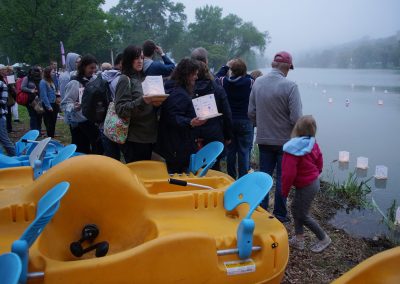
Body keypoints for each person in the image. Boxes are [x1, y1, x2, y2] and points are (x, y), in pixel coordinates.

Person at [248, 51, 302, 223]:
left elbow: (251, 112)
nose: (289, 72)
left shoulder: (257, 83)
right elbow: (296, 118)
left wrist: (261, 125)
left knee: (264, 177)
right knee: (282, 179)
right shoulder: (291, 86)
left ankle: (261, 211)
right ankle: (279, 215)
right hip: (285, 141)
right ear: (285, 66)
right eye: (289, 69)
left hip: (263, 139)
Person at [281, 115, 331, 252]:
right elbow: (319, 160)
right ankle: (299, 239)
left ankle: (323, 238)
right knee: (296, 209)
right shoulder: (312, 143)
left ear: (296, 128)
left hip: (307, 185)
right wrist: (316, 173)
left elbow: (288, 173)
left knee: (302, 214)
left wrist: (284, 191)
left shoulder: (291, 149)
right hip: (312, 182)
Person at [156, 58, 206, 173]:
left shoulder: (172, 87)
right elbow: (172, 117)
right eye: (194, 74)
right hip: (177, 146)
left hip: (171, 144)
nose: (196, 77)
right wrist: (190, 122)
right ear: (187, 75)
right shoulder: (179, 93)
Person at [115, 45, 162, 163]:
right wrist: (143, 101)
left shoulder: (142, 78)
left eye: (141, 57)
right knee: (137, 174)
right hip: (135, 138)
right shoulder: (125, 80)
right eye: (136, 57)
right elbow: (120, 109)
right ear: (128, 59)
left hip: (149, 136)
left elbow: (147, 106)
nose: (140, 61)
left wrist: (157, 103)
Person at [191, 48, 233, 170]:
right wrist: (228, 136)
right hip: (213, 134)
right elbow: (227, 114)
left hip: (192, 134)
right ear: (206, 62)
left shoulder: (185, 87)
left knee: (192, 169)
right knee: (213, 169)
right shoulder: (217, 87)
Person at [215, 58, 254, 179]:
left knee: (231, 151)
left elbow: (216, 77)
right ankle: (243, 179)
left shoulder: (223, 82)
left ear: (232, 70)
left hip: (229, 121)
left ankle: (231, 178)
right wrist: (243, 72)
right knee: (244, 151)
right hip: (245, 120)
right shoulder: (250, 82)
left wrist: (226, 66)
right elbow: (251, 77)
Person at [62, 54, 102, 154]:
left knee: (98, 147)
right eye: (91, 68)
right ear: (84, 67)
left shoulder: (94, 79)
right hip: (80, 123)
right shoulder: (74, 83)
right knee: (82, 151)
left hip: (92, 121)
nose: (93, 71)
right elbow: (64, 104)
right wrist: (73, 107)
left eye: (95, 68)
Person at [21, 66, 43, 133]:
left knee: (39, 115)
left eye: (37, 71)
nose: (36, 73)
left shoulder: (40, 79)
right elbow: (23, 87)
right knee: (33, 115)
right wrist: (31, 90)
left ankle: (38, 130)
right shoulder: (27, 78)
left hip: (39, 99)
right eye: (35, 72)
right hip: (31, 100)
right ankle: (33, 131)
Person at [40, 66, 60, 138]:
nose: (54, 73)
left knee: (53, 121)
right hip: (48, 104)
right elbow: (43, 95)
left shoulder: (52, 81)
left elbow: (56, 89)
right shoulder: (43, 82)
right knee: (49, 122)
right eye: (53, 72)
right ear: (48, 73)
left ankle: (52, 136)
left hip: (54, 103)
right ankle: (50, 137)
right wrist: (48, 106)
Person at [0, 64, 16, 156]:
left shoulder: (2, 83)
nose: (5, 71)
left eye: (5, 70)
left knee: (5, 140)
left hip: (1, 115)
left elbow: (3, 101)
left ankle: (16, 159)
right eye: (4, 70)